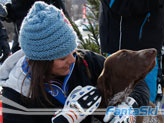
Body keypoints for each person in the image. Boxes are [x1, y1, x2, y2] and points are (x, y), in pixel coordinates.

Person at [0, 2, 150, 123]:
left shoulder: (85, 61)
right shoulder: (15, 93)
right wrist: (64, 120)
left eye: (72, 52)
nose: (72, 60)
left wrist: (130, 105)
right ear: (40, 62)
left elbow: (137, 82)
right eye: (62, 58)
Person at [99, 0, 164, 103]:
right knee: (120, 102)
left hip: (150, 44)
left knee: (147, 102)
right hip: (124, 53)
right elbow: (119, 5)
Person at [0, 0, 68, 53]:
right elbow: (18, 11)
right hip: (22, 42)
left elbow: (60, 14)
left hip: (46, 43)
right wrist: (8, 12)